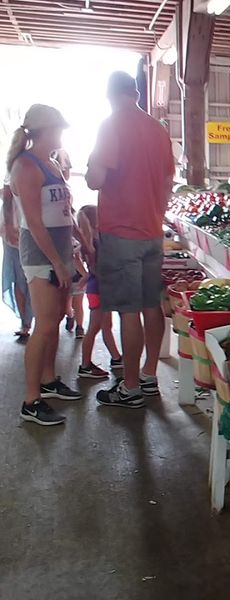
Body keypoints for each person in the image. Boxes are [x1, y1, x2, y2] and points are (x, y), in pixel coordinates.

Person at [86, 71, 173, 409]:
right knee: (152, 304)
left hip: (121, 233)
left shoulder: (111, 125)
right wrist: (156, 213)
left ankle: (131, 387)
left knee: (128, 311)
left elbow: (95, 179)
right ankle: (150, 376)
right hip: (152, 231)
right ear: (135, 93)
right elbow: (167, 181)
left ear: (110, 94)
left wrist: (91, 162)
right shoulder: (158, 129)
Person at [7, 104, 83, 426]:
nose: (62, 134)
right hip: (41, 257)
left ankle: (49, 380)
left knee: (52, 325)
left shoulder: (51, 163)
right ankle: (30, 399)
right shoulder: (26, 166)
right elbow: (35, 223)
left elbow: (65, 209)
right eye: (58, 129)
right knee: (46, 325)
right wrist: (57, 262)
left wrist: (80, 244)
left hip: (60, 253)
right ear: (44, 131)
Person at [76, 205, 122, 379]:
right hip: (100, 288)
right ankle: (85, 364)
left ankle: (116, 357)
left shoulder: (90, 242)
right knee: (95, 327)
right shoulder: (98, 241)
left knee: (105, 325)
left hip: (97, 288)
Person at [2, 175, 33, 338]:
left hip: (30, 231)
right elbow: (6, 196)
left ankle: (28, 320)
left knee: (31, 279)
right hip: (16, 232)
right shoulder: (15, 168)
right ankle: (25, 321)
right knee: (20, 279)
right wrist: (8, 226)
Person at [64, 235, 86, 339]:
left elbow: (77, 259)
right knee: (71, 305)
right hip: (68, 277)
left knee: (76, 304)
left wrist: (85, 275)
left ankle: (79, 326)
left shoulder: (74, 242)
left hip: (75, 277)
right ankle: (71, 316)